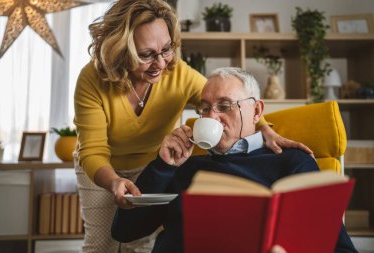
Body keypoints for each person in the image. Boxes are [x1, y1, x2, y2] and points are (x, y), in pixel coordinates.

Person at [73, 0, 312, 252]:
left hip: (150, 163)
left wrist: (265, 128)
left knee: (139, 246)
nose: (162, 64)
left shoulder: (178, 73)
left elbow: (225, 99)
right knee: (100, 245)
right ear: (121, 50)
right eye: (146, 55)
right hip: (102, 165)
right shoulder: (92, 80)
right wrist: (113, 182)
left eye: (166, 49)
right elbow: (94, 150)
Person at [111, 67, 357, 253]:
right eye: (205, 109)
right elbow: (125, 231)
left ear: (257, 111)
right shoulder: (182, 166)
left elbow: (339, 247)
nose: (212, 117)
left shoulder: (292, 162)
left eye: (225, 106)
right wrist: (162, 166)